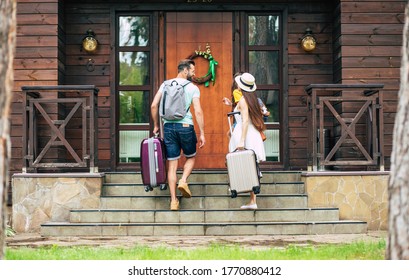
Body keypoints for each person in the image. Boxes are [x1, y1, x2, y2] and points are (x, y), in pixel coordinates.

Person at [151, 59, 206, 211]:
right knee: (191, 156)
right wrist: (202, 133)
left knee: (172, 165)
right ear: (185, 70)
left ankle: (173, 201)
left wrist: (156, 125)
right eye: (192, 71)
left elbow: (154, 105)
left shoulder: (165, 84)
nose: (194, 73)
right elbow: (198, 111)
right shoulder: (193, 88)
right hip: (186, 126)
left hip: (168, 127)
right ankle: (183, 181)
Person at [228, 72, 266, 210]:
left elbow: (244, 121)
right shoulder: (252, 100)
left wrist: (242, 140)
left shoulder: (244, 101)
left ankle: (251, 199)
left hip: (246, 134)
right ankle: (252, 199)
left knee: (248, 166)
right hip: (252, 133)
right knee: (251, 166)